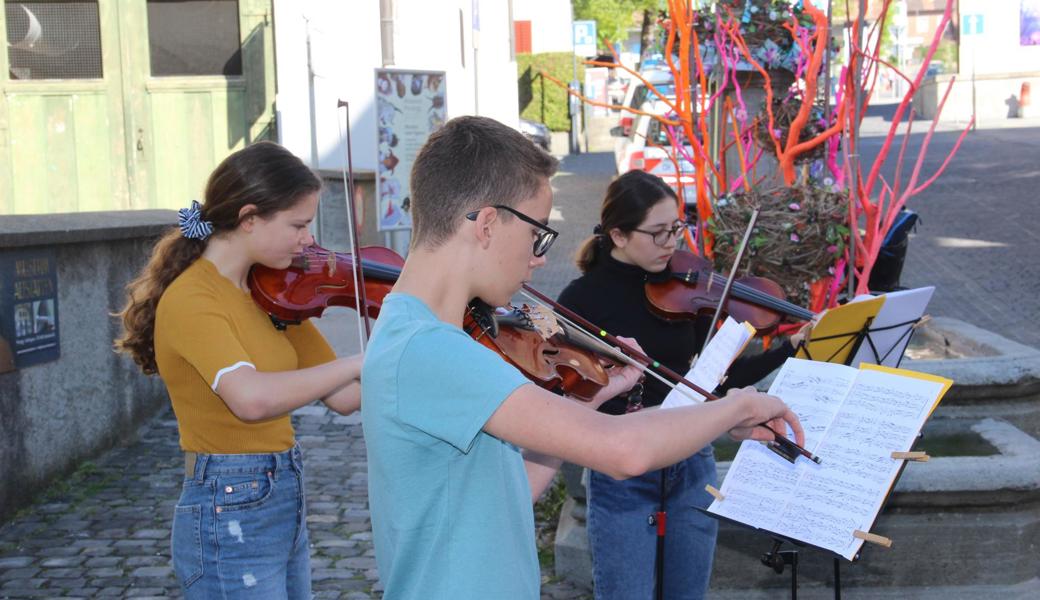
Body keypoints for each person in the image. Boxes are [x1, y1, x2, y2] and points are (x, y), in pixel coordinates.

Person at [360, 115, 804, 600]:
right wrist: (736, 407)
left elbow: (512, 490)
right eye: (537, 234)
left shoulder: (418, 333)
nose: (539, 258)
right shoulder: (432, 350)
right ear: (487, 224)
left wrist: (591, 402)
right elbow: (623, 453)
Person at [115, 141, 363, 599]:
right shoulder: (194, 299)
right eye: (298, 225)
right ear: (249, 218)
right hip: (229, 504)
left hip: (282, 493)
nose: (309, 240)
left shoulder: (271, 293)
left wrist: (418, 339)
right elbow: (250, 399)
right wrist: (362, 360)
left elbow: (346, 396)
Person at [558, 169, 809, 600]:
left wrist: (790, 348)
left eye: (676, 227)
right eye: (657, 233)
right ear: (617, 235)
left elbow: (716, 379)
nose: (672, 243)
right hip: (623, 469)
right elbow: (572, 400)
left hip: (692, 461)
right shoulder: (579, 303)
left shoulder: (685, 286)